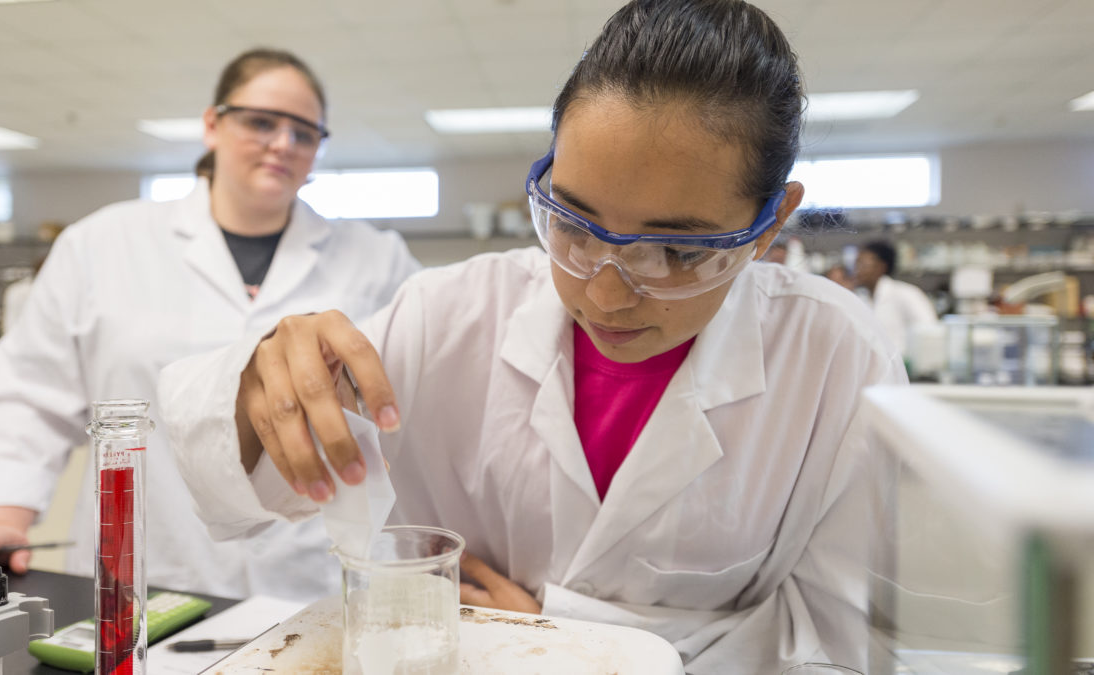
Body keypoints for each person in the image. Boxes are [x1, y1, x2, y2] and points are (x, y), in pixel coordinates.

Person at [161, 2, 903, 672]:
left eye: (677, 252)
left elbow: (839, 645)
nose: (604, 292)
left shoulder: (837, 359)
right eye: (575, 225)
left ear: (771, 222)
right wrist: (261, 383)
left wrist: (559, 637)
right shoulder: (448, 313)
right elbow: (237, 478)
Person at [0, 47, 421, 603]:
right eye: (261, 122)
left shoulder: (377, 258)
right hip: (148, 563)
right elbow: (29, 394)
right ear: (213, 124)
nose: (284, 144)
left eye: (306, 133)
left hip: (310, 570)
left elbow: (424, 393)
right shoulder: (101, 244)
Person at [853, 239, 938, 357]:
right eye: (856, 264)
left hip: (904, 368)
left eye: (862, 264)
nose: (857, 270)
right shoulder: (859, 298)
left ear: (881, 267)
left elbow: (930, 332)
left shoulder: (906, 294)